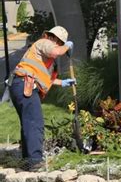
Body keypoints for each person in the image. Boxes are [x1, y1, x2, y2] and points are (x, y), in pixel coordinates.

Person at [8, 26, 76, 171]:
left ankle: (27, 161)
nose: (59, 45)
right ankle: (35, 161)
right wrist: (67, 46)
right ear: (56, 39)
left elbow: (46, 79)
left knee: (28, 122)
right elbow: (55, 51)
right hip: (25, 84)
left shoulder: (45, 57)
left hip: (21, 84)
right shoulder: (45, 43)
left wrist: (63, 83)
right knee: (34, 123)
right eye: (61, 42)